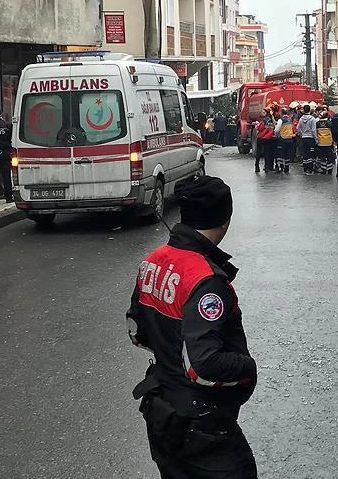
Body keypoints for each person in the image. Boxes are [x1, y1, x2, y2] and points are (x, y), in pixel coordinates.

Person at [126, 175, 257, 479]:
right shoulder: (206, 279)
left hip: (162, 410)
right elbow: (204, 363)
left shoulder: (153, 260)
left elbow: (137, 330)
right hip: (203, 424)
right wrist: (247, 368)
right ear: (226, 219)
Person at [296, 105, 318, 175]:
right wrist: (316, 139)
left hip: (304, 138)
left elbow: (297, 128)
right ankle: (310, 169)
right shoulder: (312, 119)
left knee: (305, 153)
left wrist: (302, 133)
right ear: (309, 110)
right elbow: (314, 130)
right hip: (310, 138)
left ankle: (305, 169)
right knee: (310, 154)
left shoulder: (301, 118)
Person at [314, 111, 336, 175]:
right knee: (330, 156)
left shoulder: (317, 123)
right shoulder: (330, 123)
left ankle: (323, 169)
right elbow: (333, 132)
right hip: (328, 142)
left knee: (322, 157)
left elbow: (315, 132)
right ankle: (329, 170)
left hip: (320, 143)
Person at [254, 108, 276, 173]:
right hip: (268, 138)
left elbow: (259, 128)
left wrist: (256, 125)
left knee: (258, 152)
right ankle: (266, 167)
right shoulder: (271, 121)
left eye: (264, 112)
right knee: (267, 153)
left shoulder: (264, 120)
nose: (262, 113)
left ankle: (257, 166)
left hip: (261, 138)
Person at [276, 108, 295, 174]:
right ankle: (287, 168)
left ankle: (281, 167)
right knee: (287, 154)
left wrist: (277, 135)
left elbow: (277, 129)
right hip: (290, 138)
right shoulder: (290, 119)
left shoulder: (281, 120)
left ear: (281, 113)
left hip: (283, 139)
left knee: (281, 154)